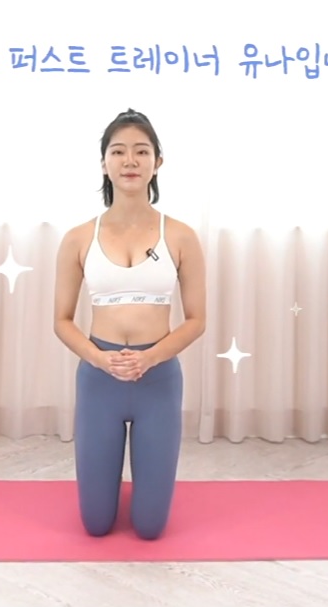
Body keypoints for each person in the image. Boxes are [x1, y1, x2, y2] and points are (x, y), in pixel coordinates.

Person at [53, 108, 206, 540]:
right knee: (96, 525)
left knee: (150, 528)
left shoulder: (181, 236)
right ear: (104, 163)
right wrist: (99, 359)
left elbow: (197, 320)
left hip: (157, 380)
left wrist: (150, 358)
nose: (130, 161)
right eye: (118, 152)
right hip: (98, 380)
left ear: (158, 161)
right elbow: (62, 321)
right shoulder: (78, 238)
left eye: (141, 151)